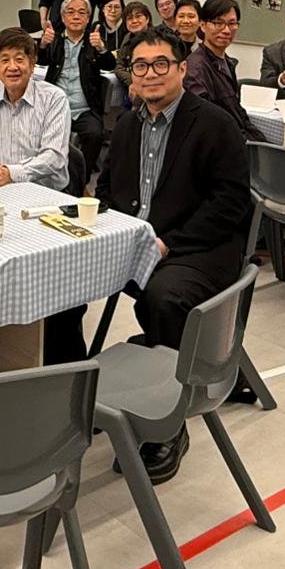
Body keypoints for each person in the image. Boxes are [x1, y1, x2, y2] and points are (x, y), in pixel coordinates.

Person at [92, 27, 252, 482]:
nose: (150, 74)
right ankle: (77, 394)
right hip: (137, 242)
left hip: (198, 247)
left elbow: (230, 203)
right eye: (140, 66)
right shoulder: (128, 125)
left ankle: (168, 426)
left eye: (161, 63)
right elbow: (107, 188)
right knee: (63, 285)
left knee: (162, 299)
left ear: (182, 69)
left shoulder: (214, 124)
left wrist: (169, 242)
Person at [0, 28, 72, 193]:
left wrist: (10, 173)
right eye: (4, 60)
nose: (12, 67)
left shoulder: (54, 99)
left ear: (32, 64)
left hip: (42, 192)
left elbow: (54, 157)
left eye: (19, 59)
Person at [37, 0, 113, 186]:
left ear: (88, 18)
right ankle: (50, 179)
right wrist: (43, 44)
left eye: (81, 12)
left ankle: (81, 183)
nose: (76, 16)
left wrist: (101, 48)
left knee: (94, 134)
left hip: (85, 108)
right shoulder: (55, 40)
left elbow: (110, 65)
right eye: (70, 12)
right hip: (55, 107)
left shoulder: (94, 41)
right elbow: (40, 60)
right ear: (63, 18)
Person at [185, 0, 261, 141]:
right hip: (222, 144)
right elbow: (206, 121)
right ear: (202, 25)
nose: (226, 30)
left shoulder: (227, 62)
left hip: (238, 137)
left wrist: (257, 138)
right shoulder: (195, 69)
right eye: (218, 23)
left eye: (232, 23)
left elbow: (236, 110)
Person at [113, 1, 153, 94]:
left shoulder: (157, 39)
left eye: (138, 16)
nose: (134, 21)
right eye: (130, 18)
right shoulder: (127, 38)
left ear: (147, 19)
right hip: (133, 86)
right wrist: (132, 82)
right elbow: (119, 66)